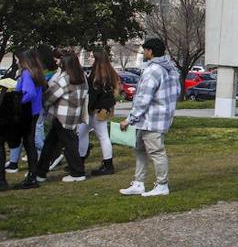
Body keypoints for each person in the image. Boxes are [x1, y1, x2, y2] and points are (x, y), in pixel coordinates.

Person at [118, 38, 181, 197]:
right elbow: (177, 92)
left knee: (156, 152)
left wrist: (129, 119)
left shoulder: (153, 70)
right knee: (139, 149)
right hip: (155, 118)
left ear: (150, 51)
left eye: (144, 49)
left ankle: (162, 185)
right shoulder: (170, 68)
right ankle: (139, 183)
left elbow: (143, 99)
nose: (143, 52)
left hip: (152, 119)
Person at [35, 50, 89, 183]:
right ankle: (40, 173)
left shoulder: (65, 78)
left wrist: (42, 99)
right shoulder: (82, 76)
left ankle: (77, 173)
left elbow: (50, 96)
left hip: (62, 116)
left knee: (68, 145)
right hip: (74, 115)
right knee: (50, 144)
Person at [78, 47, 119, 176]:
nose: (89, 58)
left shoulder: (97, 74)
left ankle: (107, 165)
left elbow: (94, 94)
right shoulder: (109, 71)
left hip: (96, 109)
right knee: (83, 132)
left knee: (100, 136)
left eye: (91, 56)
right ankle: (80, 162)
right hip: (103, 108)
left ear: (97, 58)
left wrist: (87, 108)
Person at [9, 50, 46, 190]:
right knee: (29, 144)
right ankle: (33, 175)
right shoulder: (36, 72)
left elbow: (29, 93)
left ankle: (32, 176)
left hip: (28, 112)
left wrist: (18, 102)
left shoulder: (26, 73)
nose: (17, 62)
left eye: (18, 59)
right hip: (35, 111)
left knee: (29, 144)